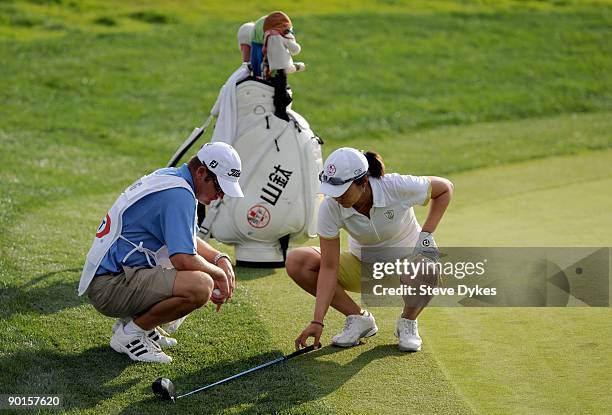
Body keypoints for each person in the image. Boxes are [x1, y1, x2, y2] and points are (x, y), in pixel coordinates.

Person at [77, 142, 244, 363]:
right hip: (110, 287)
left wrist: (218, 258)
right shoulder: (179, 194)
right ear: (202, 172)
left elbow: (186, 239)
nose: (220, 196)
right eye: (219, 187)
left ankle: (138, 324)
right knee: (200, 285)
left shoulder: (174, 179)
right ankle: (131, 335)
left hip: (112, 279)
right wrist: (218, 274)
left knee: (199, 274)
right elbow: (183, 258)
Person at [288, 147, 453, 352]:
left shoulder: (395, 186)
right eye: (332, 191)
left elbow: (445, 188)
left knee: (428, 263)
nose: (336, 198)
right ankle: (358, 319)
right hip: (364, 269)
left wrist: (426, 234)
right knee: (297, 261)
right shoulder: (331, 207)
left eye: (343, 191)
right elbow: (329, 267)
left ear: (363, 182)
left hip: (408, 268)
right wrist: (318, 320)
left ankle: (408, 323)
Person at [261, 11, 306, 121]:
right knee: (281, 88)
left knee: (277, 85)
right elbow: (295, 50)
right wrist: (290, 37)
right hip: (281, 66)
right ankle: (280, 111)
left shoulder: (268, 35)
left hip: (271, 67)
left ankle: (280, 102)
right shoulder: (284, 35)